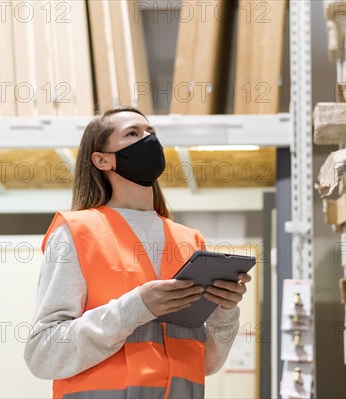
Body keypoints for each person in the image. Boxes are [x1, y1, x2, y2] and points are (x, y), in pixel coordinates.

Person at [24, 107, 251, 399]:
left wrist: (225, 312)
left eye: (151, 133)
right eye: (133, 133)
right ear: (102, 159)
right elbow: (43, 354)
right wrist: (135, 308)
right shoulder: (78, 232)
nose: (149, 140)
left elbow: (206, 363)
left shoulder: (189, 240)